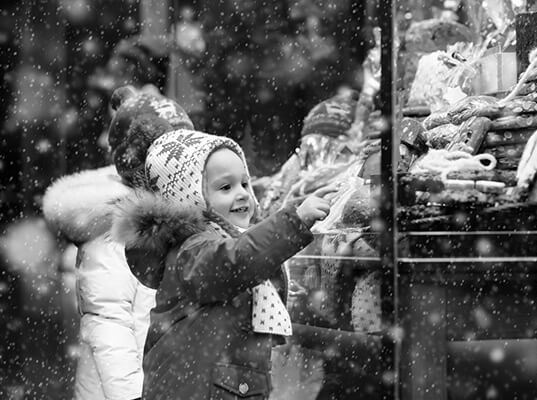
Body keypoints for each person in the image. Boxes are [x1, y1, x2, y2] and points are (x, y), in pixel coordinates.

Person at [112, 128, 333, 399]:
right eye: (225, 187)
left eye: (245, 183)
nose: (242, 194)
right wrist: (294, 221)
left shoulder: (223, 242)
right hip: (196, 389)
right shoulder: (193, 250)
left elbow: (248, 262)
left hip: (225, 384)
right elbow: (238, 260)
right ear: (190, 197)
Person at [41, 85, 195, 400]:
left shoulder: (169, 217)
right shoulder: (117, 228)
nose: (186, 163)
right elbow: (108, 325)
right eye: (174, 152)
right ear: (143, 159)